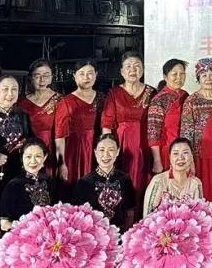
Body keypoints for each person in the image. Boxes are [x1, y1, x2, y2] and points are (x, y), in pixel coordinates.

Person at [101, 52, 154, 198]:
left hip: (146, 143)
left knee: (145, 180)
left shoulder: (151, 92)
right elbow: (107, 124)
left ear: (143, 69)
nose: (133, 70)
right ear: (122, 71)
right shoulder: (114, 93)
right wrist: (108, 150)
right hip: (122, 145)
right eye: (128, 66)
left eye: (137, 66)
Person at [177, 58, 212, 205]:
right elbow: (186, 132)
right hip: (200, 156)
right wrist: (189, 159)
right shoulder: (191, 100)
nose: (208, 79)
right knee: (202, 193)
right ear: (198, 78)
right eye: (204, 75)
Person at [73, 133, 136, 229]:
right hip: (93, 234)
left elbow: (130, 211)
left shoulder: (125, 179)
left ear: (117, 152)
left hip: (119, 233)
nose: (106, 155)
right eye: (102, 150)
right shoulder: (84, 182)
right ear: (95, 152)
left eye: (111, 150)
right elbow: (79, 216)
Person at [54, 61, 101, 187]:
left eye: (90, 73)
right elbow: (59, 136)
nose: (86, 77)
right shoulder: (66, 102)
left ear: (96, 75)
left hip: (99, 150)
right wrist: (61, 163)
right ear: (74, 76)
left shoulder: (103, 98)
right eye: (82, 74)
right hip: (75, 151)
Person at [17, 59, 61, 174]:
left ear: (51, 78)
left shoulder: (60, 100)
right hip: (30, 151)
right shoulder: (22, 103)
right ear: (31, 78)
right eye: (37, 76)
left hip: (53, 148)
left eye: (46, 75)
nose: (42, 80)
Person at [146, 58, 189, 173]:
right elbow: (153, 133)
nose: (179, 77)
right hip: (168, 152)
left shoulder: (186, 96)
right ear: (165, 77)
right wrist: (157, 161)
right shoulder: (158, 100)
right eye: (174, 74)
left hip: (185, 151)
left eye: (182, 74)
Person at [143, 139, 204, 215]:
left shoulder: (196, 183)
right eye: (175, 154)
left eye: (185, 153)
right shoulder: (158, 181)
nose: (180, 158)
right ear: (169, 157)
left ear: (192, 156)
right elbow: (147, 217)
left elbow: (199, 214)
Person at [0, 140, 52, 229]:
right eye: (28, 157)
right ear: (22, 158)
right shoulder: (13, 185)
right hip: (24, 234)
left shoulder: (49, 181)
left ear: (45, 157)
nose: (33, 161)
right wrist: (29, 229)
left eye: (38, 156)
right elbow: (4, 224)